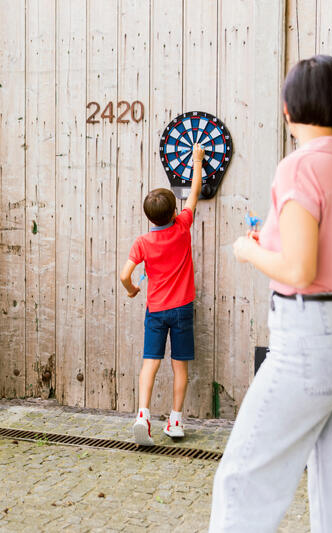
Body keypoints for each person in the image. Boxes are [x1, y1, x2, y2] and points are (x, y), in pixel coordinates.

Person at [210, 54, 332, 532]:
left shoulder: (298, 169)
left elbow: (300, 270)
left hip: (310, 340)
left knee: (245, 481)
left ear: (287, 109)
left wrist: (247, 251)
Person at [120, 143, 205, 446]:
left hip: (155, 310)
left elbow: (124, 274)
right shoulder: (182, 226)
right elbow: (193, 194)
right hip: (182, 309)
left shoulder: (142, 242)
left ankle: (142, 415)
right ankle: (176, 420)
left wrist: (132, 290)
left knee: (150, 362)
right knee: (179, 365)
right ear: (173, 211)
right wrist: (197, 161)